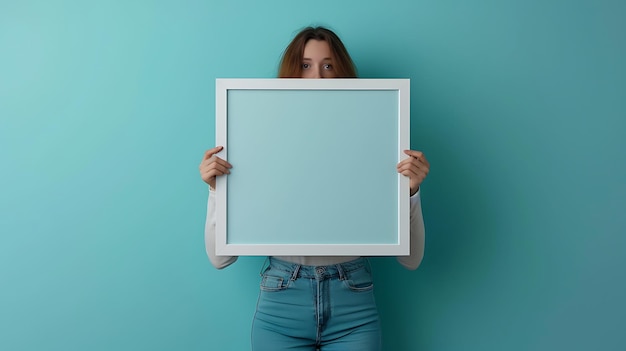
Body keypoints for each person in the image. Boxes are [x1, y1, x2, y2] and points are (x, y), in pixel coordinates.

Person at [199, 26, 430, 351]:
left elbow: (412, 259)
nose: (318, 77)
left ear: (343, 73)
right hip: (281, 303)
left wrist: (411, 193)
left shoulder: (376, 141)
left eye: (328, 65)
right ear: (291, 72)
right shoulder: (259, 141)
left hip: (354, 303)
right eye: (306, 65)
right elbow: (219, 259)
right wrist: (215, 190)